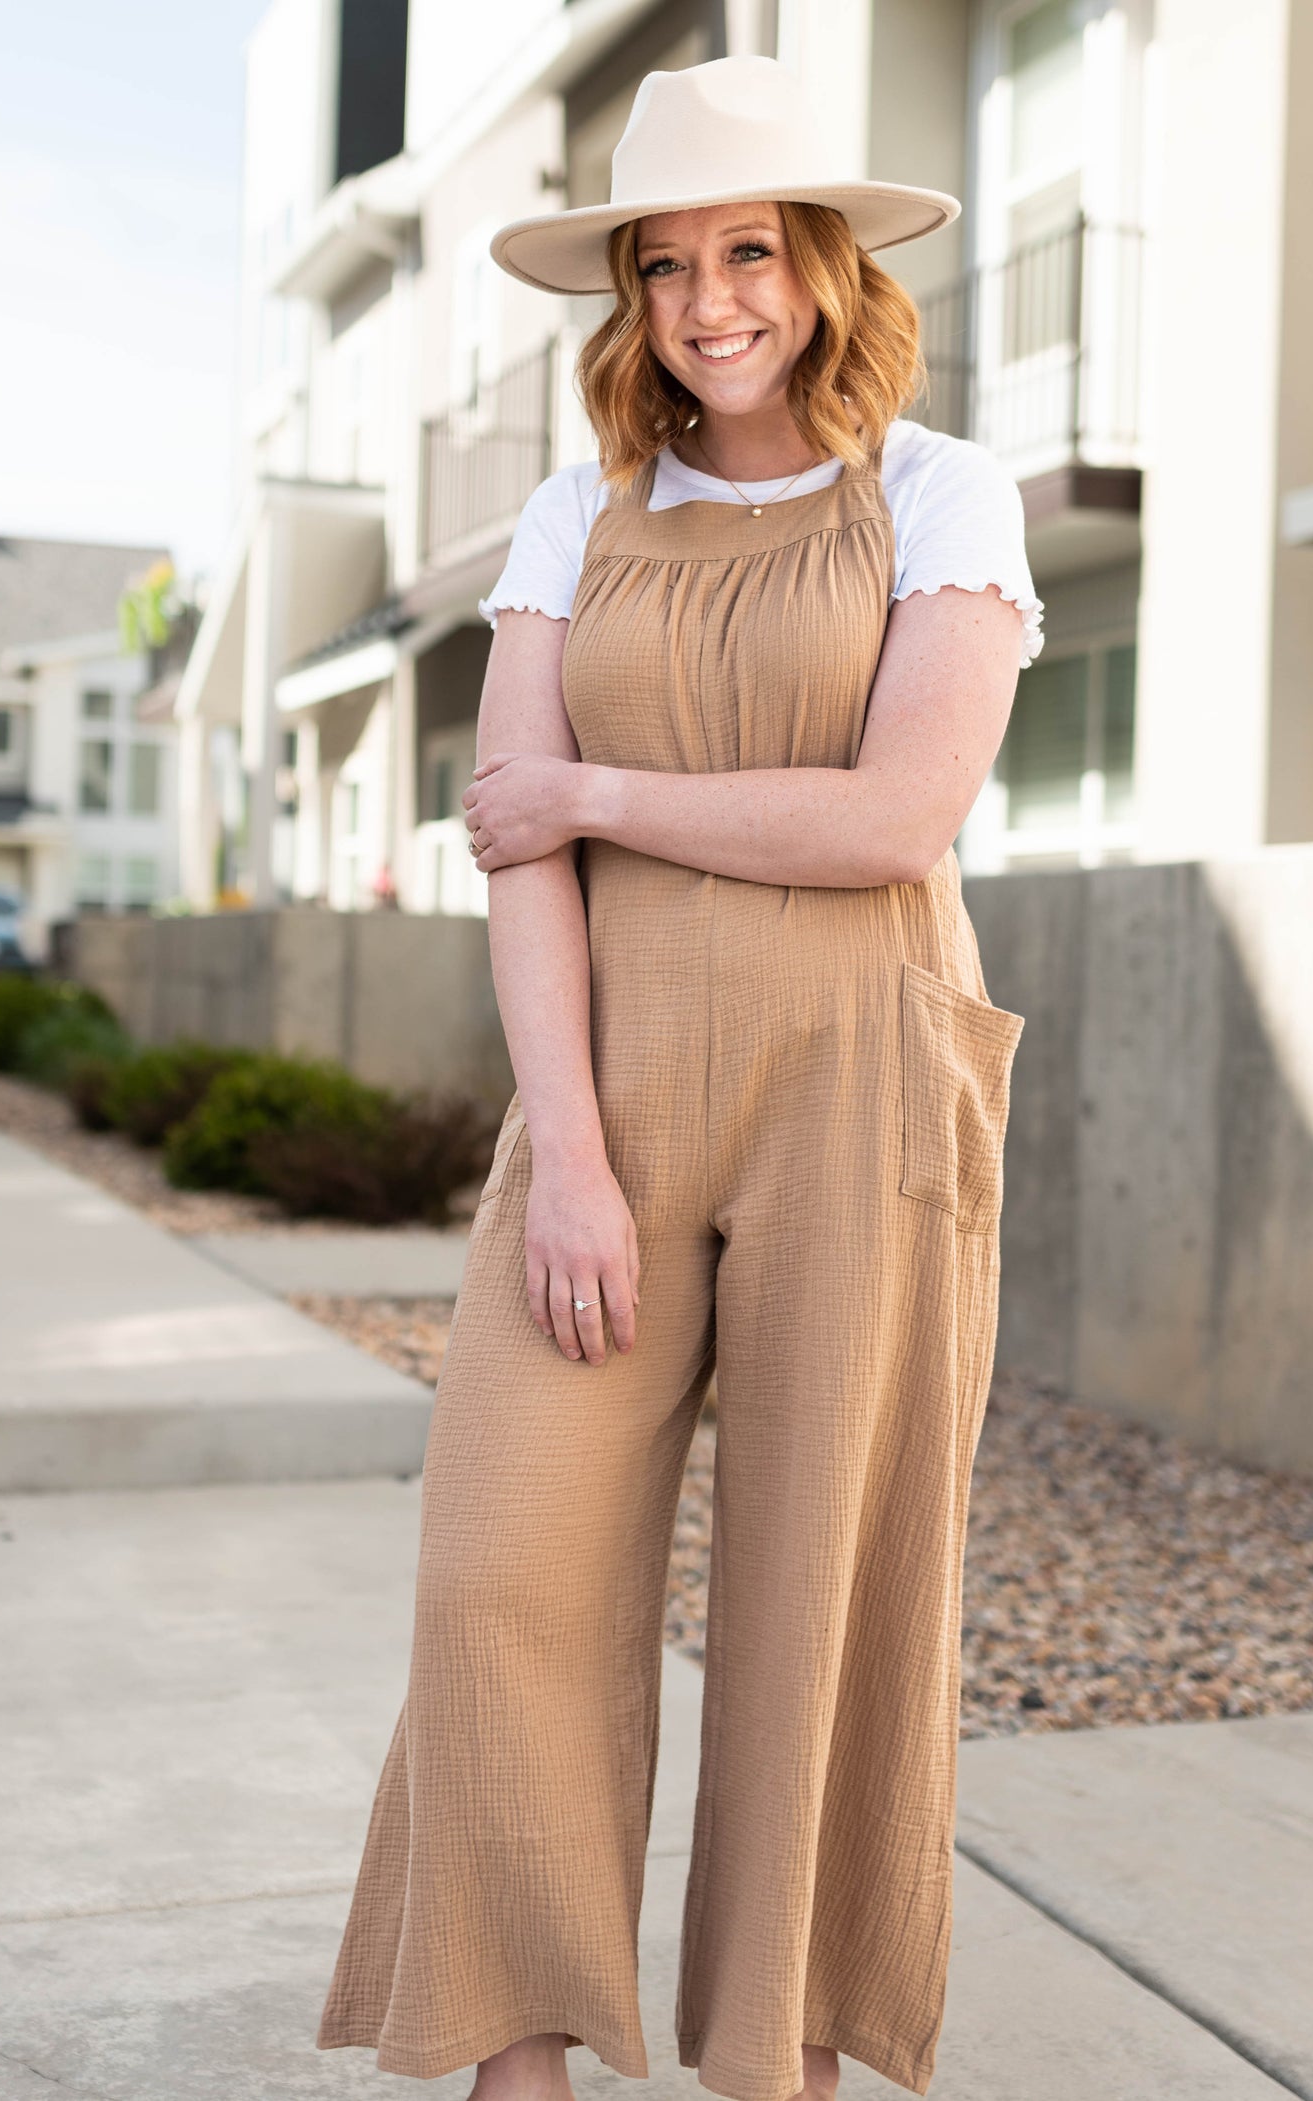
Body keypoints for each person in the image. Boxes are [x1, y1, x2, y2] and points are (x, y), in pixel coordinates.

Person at [318, 52, 1038, 2101]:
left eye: (748, 251)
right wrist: (561, 1154)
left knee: (828, 1587)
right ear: (625, 296)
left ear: (819, 269)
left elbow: (898, 816)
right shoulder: (576, 513)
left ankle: (779, 2059)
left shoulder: (940, 494)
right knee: (500, 1565)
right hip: (608, 1095)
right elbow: (510, 846)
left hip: (865, 1084)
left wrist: (607, 784)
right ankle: (511, 2051)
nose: (710, 299)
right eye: (664, 265)